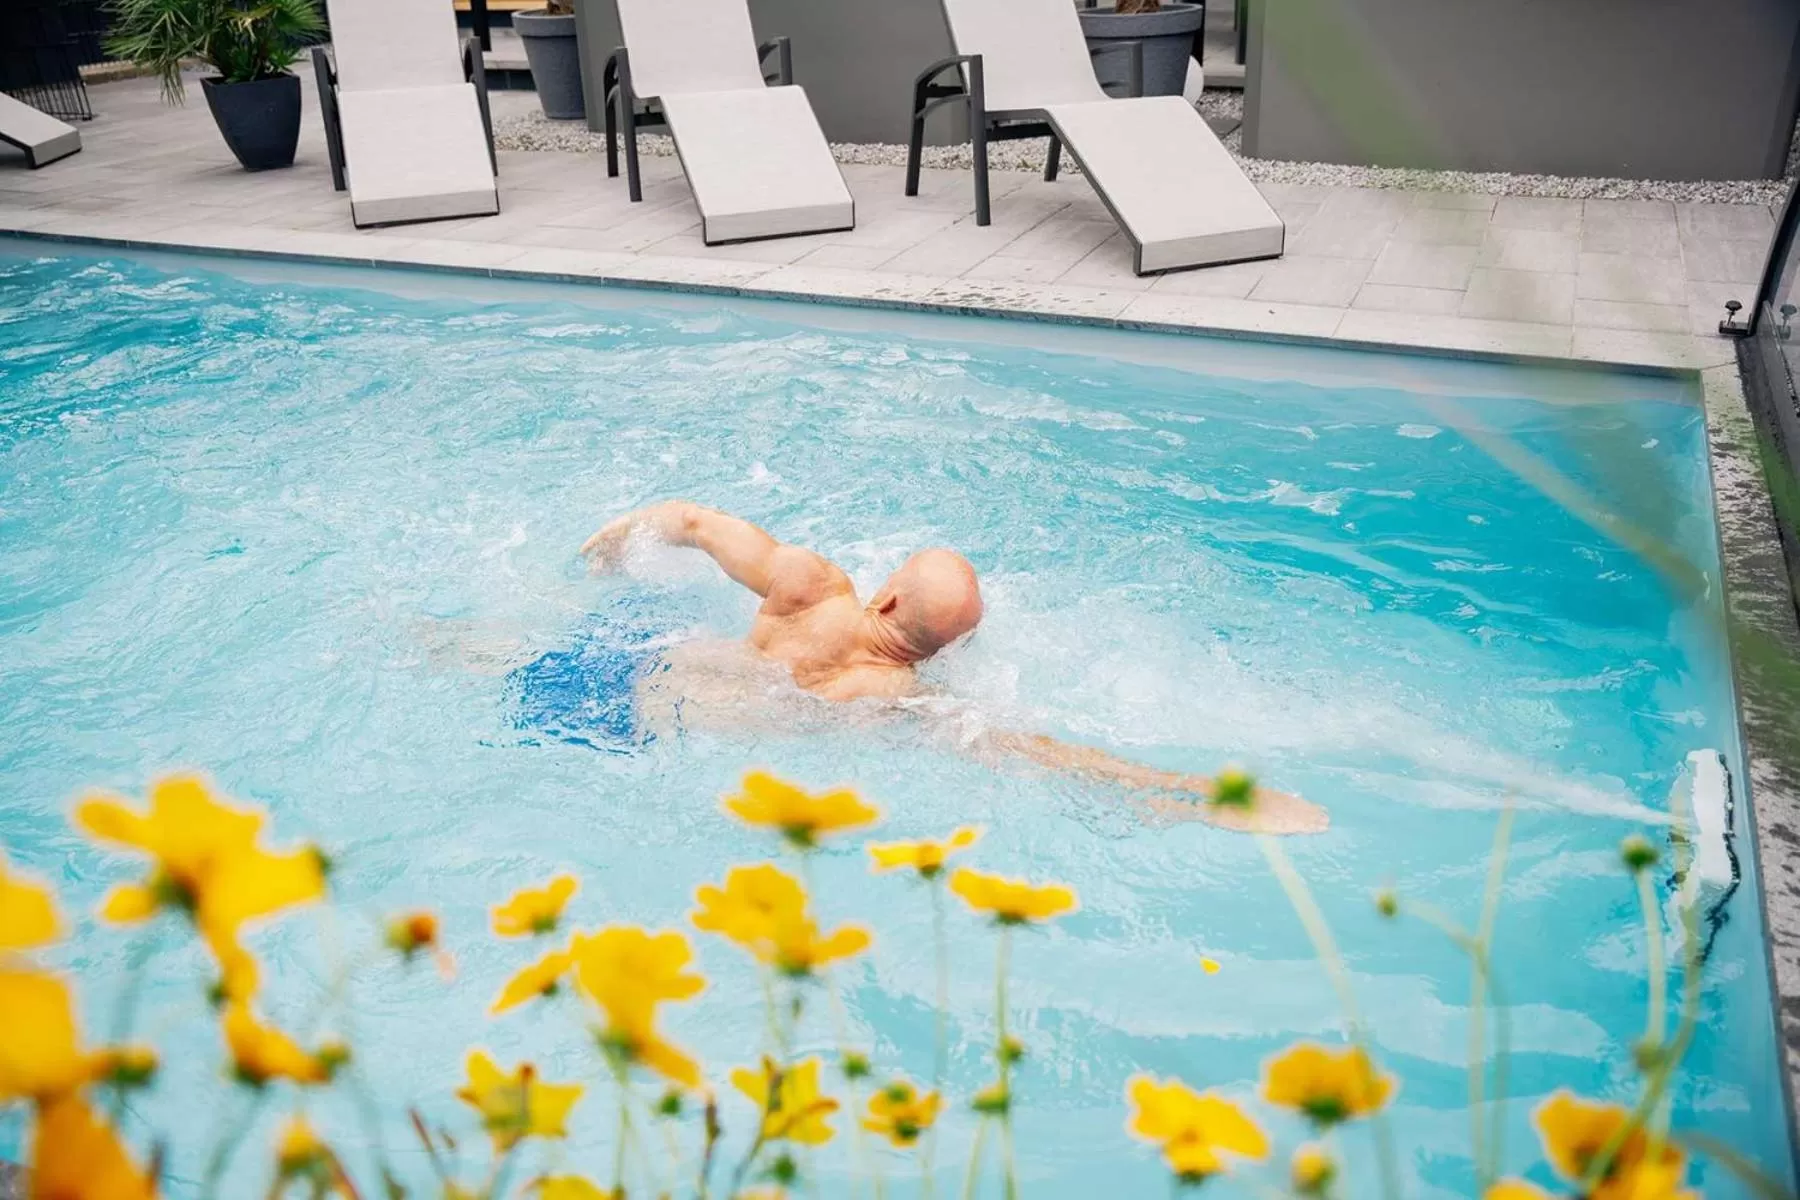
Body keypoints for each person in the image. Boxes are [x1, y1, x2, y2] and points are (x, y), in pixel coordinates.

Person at [563, 499, 1327, 835]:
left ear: (888, 595)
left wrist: (620, 538)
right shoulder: (901, 698)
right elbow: (1043, 756)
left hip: (624, 671)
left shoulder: (809, 588)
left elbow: (691, 522)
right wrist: (1188, 789)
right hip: (662, 742)